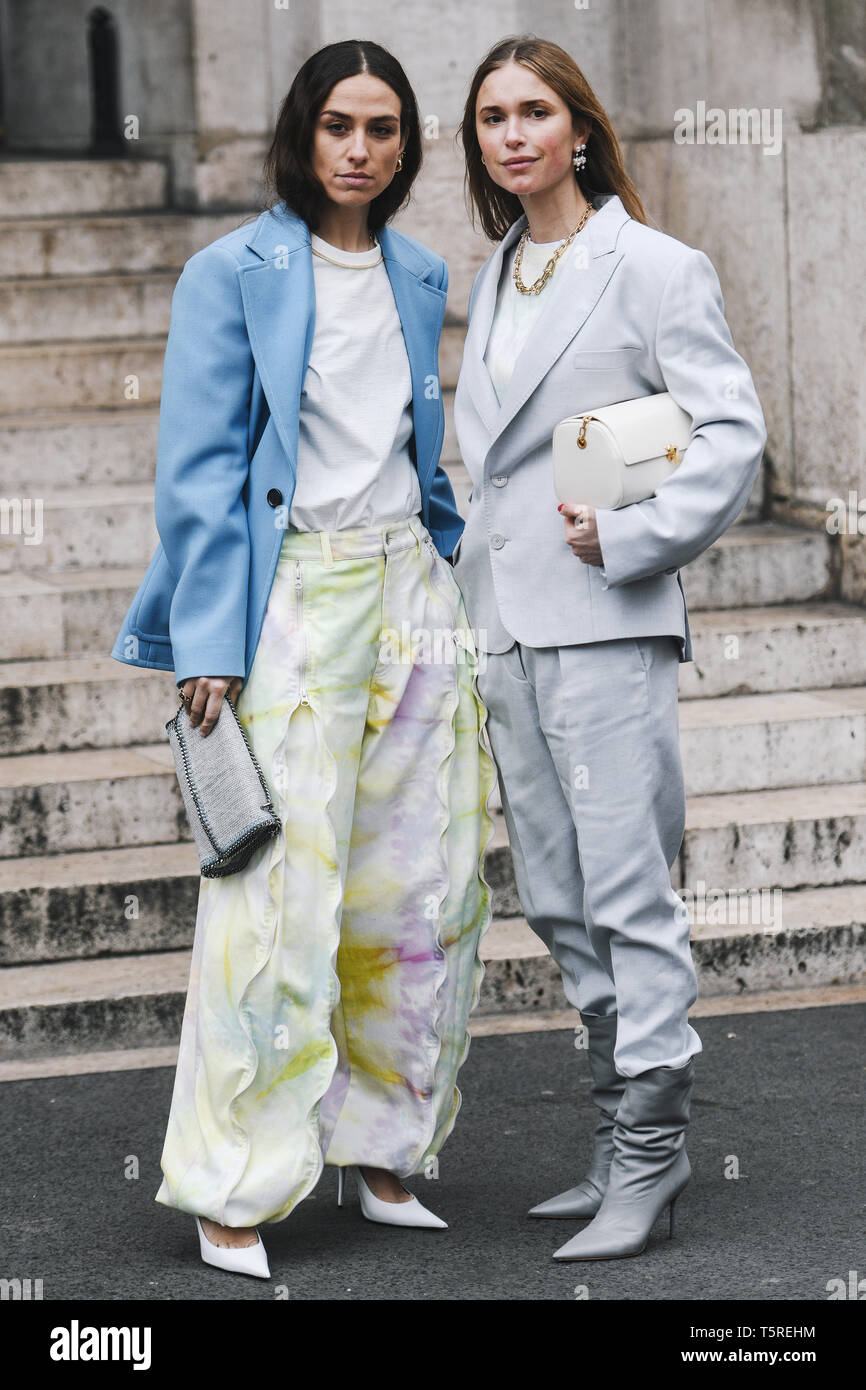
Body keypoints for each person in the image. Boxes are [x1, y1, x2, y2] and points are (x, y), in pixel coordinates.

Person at [111, 38, 495, 1279]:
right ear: (301, 130)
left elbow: (418, 445)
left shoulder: (421, 270)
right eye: (340, 124)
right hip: (292, 600)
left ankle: (383, 1153)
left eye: (383, 129)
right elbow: (203, 471)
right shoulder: (233, 270)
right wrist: (206, 642)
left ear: (405, 145)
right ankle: (235, 1184)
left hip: (408, 594)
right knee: (272, 901)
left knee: (418, 884)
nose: (360, 150)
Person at [451, 34, 767, 1261]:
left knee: (627, 891)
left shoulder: (653, 265)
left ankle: (653, 1146)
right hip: (502, 628)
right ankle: (613, 1131)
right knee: (556, 894)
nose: (512, 135)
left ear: (578, 130)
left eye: (534, 112)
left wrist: (633, 528)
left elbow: (728, 434)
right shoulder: (494, 272)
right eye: (490, 118)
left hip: (605, 619)